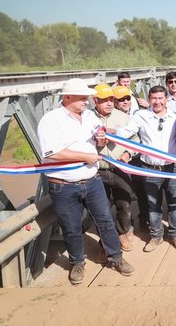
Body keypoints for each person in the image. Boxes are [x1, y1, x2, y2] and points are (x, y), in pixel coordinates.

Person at [38, 78, 134, 285]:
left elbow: (97, 139)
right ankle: (77, 263)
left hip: (91, 180)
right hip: (63, 185)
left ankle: (116, 257)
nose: (86, 101)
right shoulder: (51, 120)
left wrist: (101, 140)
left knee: (106, 221)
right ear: (67, 97)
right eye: (82, 98)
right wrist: (84, 157)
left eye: (87, 97)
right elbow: (51, 153)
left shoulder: (90, 116)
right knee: (71, 227)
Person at [115, 85, 176, 252]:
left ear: (166, 99)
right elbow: (126, 132)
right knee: (153, 205)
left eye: (161, 98)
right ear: (149, 99)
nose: (157, 102)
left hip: (172, 168)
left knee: (174, 204)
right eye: (153, 98)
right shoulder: (141, 117)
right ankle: (156, 237)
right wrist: (107, 132)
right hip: (150, 168)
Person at [93, 84, 137, 252]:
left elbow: (135, 139)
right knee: (100, 209)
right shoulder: (88, 118)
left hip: (121, 169)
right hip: (98, 171)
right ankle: (106, 241)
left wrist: (128, 154)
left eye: (111, 99)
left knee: (125, 204)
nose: (109, 103)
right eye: (104, 100)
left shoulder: (123, 117)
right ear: (95, 100)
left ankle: (121, 232)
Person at [113, 85, 149, 230]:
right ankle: (125, 227)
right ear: (115, 101)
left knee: (142, 191)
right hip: (118, 162)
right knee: (123, 196)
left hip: (136, 159)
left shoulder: (138, 113)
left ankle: (144, 219)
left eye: (127, 98)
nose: (125, 102)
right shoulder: (112, 117)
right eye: (121, 99)